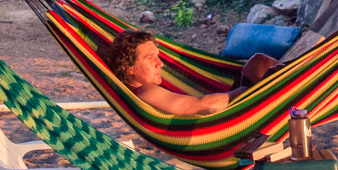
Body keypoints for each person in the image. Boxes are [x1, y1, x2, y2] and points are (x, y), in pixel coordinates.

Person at [99, 29, 278, 115]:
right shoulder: (145, 91)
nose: (160, 64)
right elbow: (202, 105)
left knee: (259, 62)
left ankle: (301, 83)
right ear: (129, 68)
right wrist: (254, 93)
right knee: (265, 67)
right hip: (229, 119)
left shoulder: (142, 89)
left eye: (158, 56)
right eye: (149, 58)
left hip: (230, 109)